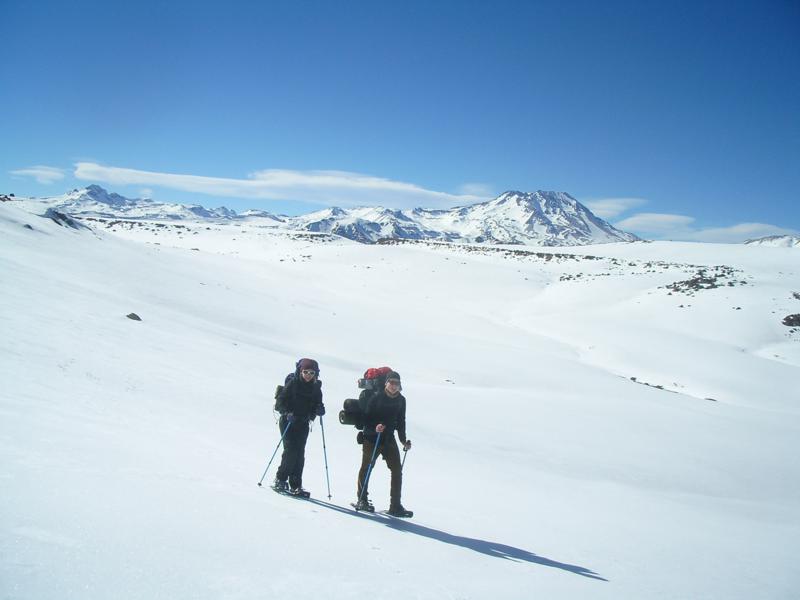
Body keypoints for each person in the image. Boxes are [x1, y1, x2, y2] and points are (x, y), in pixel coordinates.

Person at [356, 371, 412, 516]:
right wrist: (375, 427)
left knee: (397, 470)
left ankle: (395, 505)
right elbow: (366, 419)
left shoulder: (401, 400)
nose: (394, 386)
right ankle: (362, 499)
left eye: (396, 383)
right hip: (371, 438)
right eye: (391, 382)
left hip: (388, 438)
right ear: (386, 383)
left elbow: (401, 422)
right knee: (367, 468)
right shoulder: (376, 398)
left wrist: (403, 440)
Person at [273, 358, 325, 497]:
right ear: (300, 371)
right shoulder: (293, 384)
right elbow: (280, 402)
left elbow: (317, 405)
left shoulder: (315, 388)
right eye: (305, 372)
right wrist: (287, 412)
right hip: (288, 421)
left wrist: (319, 409)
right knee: (291, 451)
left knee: (299, 454)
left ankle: (295, 484)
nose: (308, 375)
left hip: (303, 423)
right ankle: (280, 479)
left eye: (311, 372)